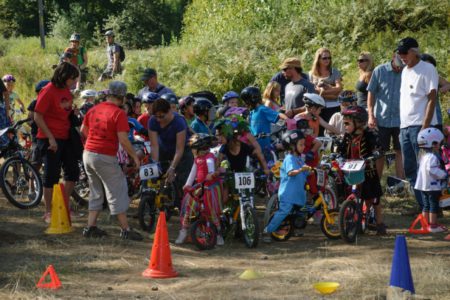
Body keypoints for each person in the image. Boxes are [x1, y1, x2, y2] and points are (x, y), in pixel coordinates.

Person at [81, 81, 142, 240]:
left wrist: (94, 141)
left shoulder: (94, 109)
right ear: (122, 97)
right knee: (117, 189)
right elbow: (123, 139)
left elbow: (83, 130)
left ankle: (90, 227)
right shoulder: (119, 113)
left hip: (88, 154)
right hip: (105, 155)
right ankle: (126, 229)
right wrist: (134, 156)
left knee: (96, 190)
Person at [34, 62, 80, 223]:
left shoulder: (66, 90)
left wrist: (73, 111)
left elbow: (64, 110)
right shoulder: (47, 91)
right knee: (51, 175)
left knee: (73, 172)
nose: (75, 82)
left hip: (66, 136)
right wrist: (50, 138)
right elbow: (37, 116)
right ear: (65, 76)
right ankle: (48, 211)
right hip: (49, 138)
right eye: (73, 79)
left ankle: (63, 205)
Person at [397, 37, 439, 211]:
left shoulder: (428, 69)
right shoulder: (405, 71)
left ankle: (432, 210)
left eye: (405, 53)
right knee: (410, 169)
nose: (402, 56)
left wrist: (425, 127)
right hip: (405, 126)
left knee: (427, 170)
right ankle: (424, 207)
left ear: (414, 51)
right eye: (399, 53)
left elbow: (432, 98)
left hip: (421, 127)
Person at [337, 106, 386, 234]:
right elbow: (341, 150)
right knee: (350, 193)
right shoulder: (347, 136)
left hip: (368, 172)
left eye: (347, 123)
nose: (345, 126)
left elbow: (378, 147)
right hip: (352, 171)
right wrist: (338, 155)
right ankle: (353, 219)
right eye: (344, 123)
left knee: (374, 198)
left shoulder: (370, 134)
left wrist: (376, 153)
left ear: (358, 122)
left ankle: (380, 224)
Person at [262, 130, 310, 243]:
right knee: (284, 211)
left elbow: (305, 170)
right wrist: (300, 170)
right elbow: (290, 172)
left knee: (302, 210)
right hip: (288, 193)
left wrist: (311, 170)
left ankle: (296, 227)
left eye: (304, 144)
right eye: (301, 144)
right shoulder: (289, 159)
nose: (303, 147)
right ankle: (267, 231)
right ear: (292, 146)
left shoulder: (298, 159)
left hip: (297, 193)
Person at [175, 133, 223, 245]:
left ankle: (218, 234)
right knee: (188, 208)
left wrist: (211, 173)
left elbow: (210, 164)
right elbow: (193, 172)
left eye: (194, 148)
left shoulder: (209, 156)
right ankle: (183, 231)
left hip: (209, 188)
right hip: (200, 187)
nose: (193, 150)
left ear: (200, 148)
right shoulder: (197, 159)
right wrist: (187, 184)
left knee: (211, 212)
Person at [148, 98, 194, 208]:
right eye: (156, 116)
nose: (159, 120)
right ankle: (153, 198)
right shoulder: (152, 121)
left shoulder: (179, 121)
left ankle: (184, 206)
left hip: (183, 150)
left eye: (162, 116)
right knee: (156, 173)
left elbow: (179, 149)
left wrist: (172, 168)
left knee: (182, 179)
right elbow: (154, 146)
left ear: (169, 111)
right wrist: (154, 163)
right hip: (163, 148)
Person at [367, 51, 405, 179]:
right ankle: (377, 183)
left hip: (401, 119)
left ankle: (400, 182)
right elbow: (371, 93)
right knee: (380, 152)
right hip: (381, 119)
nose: (400, 68)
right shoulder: (379, 70)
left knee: (400, 151)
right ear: (393, 57)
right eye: (399, 64)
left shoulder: (407, 71)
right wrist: (370, 115)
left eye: (402, 65)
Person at [241, 86, 288, 162]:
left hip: (265, 149)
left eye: (245, 101)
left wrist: (289, 121)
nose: (244, 103)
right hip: (255, 149)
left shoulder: (262, 109)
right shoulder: (251, 112)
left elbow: (278, 116)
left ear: (251, 100)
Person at [415, 128, 447, 233]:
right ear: (434, 143)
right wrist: (444, 174)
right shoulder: (432, 157)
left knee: (426, 205)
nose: (441, 145)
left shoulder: (423, 156)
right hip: (432, 186)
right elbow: (432, 170)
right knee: (433, 205)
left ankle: (425, 225)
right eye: (439, 143)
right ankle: (433, 226)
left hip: (423, 186)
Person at [309, 48, 343, 135]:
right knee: (318, 131)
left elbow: (339, 88)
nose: (327, 60)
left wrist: (322, 92)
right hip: (318, 108)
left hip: (333, 106)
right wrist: (332, 92)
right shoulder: (311, 74)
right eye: (324, 58)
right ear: (318, 59)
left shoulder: (334, 71)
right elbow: (313, 91)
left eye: (329, 58)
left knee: (332, 131)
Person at [27, 80, 50, 197]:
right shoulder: (34, 103)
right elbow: (30, 120)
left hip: (49, 135)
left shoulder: (51, 103)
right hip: (37, 136)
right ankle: (31, 189)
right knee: (36, 163)